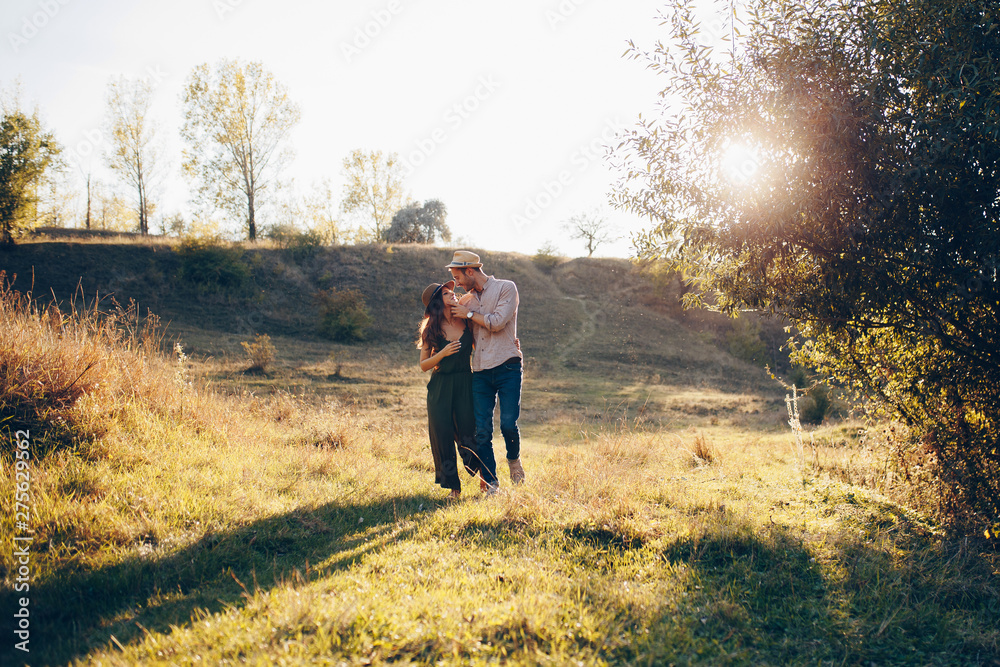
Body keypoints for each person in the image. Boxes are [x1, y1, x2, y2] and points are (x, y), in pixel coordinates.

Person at [445, 250, 526, 489]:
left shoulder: (505, 288)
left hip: (507, 365)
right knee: (482, 431)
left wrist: (470, 314)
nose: (457, 283)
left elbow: (498, 322)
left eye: (458, 277)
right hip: (479, 370)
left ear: (470, 271)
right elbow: (458, 330)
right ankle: (491, 484)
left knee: (508, 424)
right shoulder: (465, 300)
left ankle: (513, 460)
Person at [417, 280, 494, 499]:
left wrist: (508, 344)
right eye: (445, 293)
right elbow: (423, 365)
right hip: (440, 386)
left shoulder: (465, 322)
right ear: (436, 303)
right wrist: (442, 353)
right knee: (442, 435)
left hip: (465, 383)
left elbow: (483, 341)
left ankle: (482, 475)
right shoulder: (431, 330)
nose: (452, 294)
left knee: (469, 432)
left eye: (452, 291)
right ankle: (454, 488)